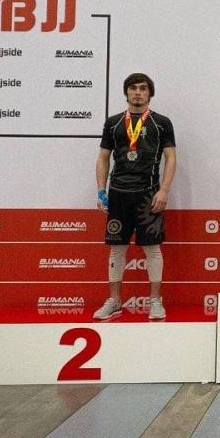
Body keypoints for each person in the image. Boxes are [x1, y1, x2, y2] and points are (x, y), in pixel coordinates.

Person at [92, 73, 176, 320]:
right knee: (117, 249)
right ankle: (115, 301)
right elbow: (103, 157)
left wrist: (164, 190)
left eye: (143, 88)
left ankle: (155, 301)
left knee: (152, 249)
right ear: (126, 92)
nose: (138, 92)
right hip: (118, 193)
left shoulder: (161, 123)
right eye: (133, 88)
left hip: (148, 194)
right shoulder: (113, 123)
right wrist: (101, 191)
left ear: (150, 93)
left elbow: (171, 157)